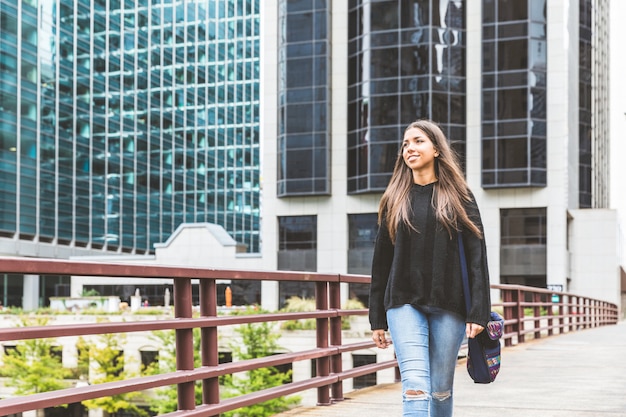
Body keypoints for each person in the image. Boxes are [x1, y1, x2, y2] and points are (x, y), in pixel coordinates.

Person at [369, 119, 491, 417]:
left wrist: (479, 311)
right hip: (403, 302)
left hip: (449, 303)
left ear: (436, 149)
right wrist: (376, 318)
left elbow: (477, 257)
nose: (409, 148)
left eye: (418, 141)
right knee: (415, 386)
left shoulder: (459, 196)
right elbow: (381, 262)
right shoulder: (394, 199)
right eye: (405, 144)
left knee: (439, 390)